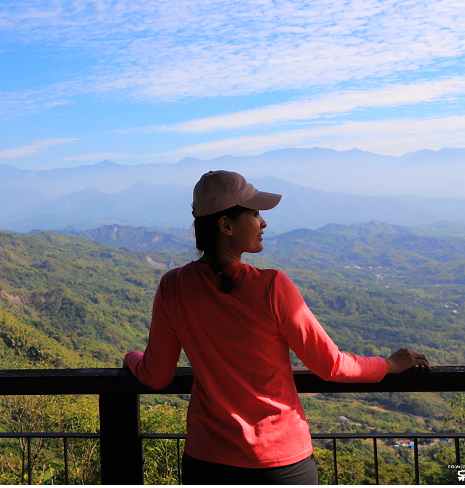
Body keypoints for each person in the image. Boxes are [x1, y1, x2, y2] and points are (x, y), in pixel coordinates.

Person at [123, 170, 430, 485]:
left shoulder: (173, 286)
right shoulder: (272, 287)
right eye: (255, 214)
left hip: (207, 463)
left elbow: (157, 375)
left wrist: (131, 358)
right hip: (279, 463)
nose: (264, 222)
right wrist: (390, 364)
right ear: (226, 225)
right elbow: (330, 365)